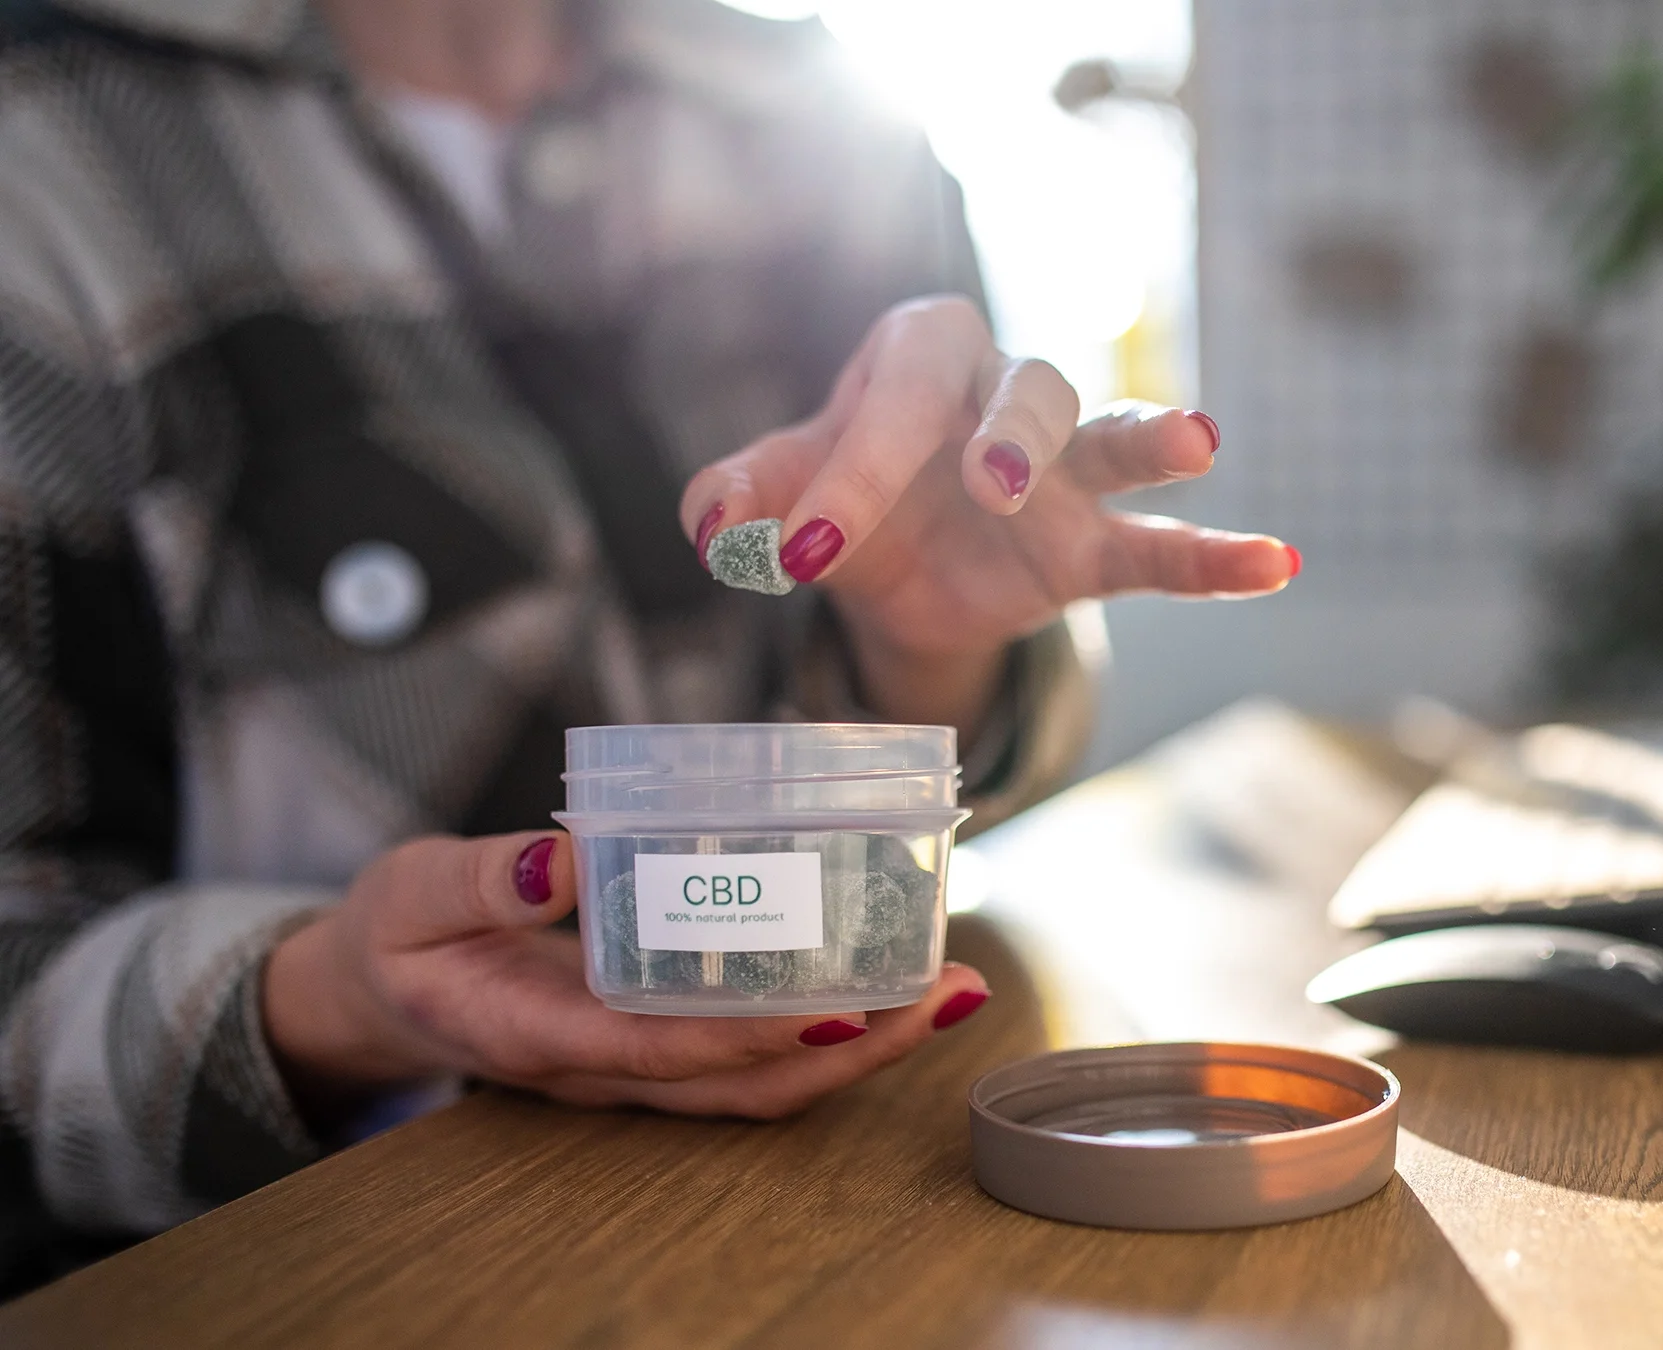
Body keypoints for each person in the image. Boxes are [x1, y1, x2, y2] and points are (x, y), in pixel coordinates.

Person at [0, 0, 1294, 1291]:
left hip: (851, 1232)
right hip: (329, 1280)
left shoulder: (829, 111)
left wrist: (926, 657)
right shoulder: (48, 150)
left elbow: (963, 796)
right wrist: (332, 997)